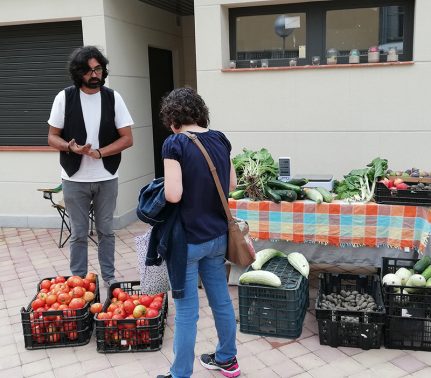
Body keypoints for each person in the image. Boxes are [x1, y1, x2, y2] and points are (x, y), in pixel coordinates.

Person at [156, 87, 240, 378]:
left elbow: (174, 194)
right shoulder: (219, 138)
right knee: (221, 300)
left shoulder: (174, 144)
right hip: (217, 237)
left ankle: (180, 374)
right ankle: (227, 359)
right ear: (200, 112)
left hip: (187, 242)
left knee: (187, 312)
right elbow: (230, 185)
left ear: (173, 118)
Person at [47, 45, 133, 287]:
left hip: (107, 175)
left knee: (106, 230)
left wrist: (99, 152)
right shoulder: (64, 98)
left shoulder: (113, 97)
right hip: (74, 178)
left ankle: (110, 278)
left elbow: (128, 138)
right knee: (78, 233)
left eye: (98, 69)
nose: (95, 74)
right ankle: (78, 280)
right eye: (88, 71)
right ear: (78, 72)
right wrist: (70, 147)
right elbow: (52, 136)